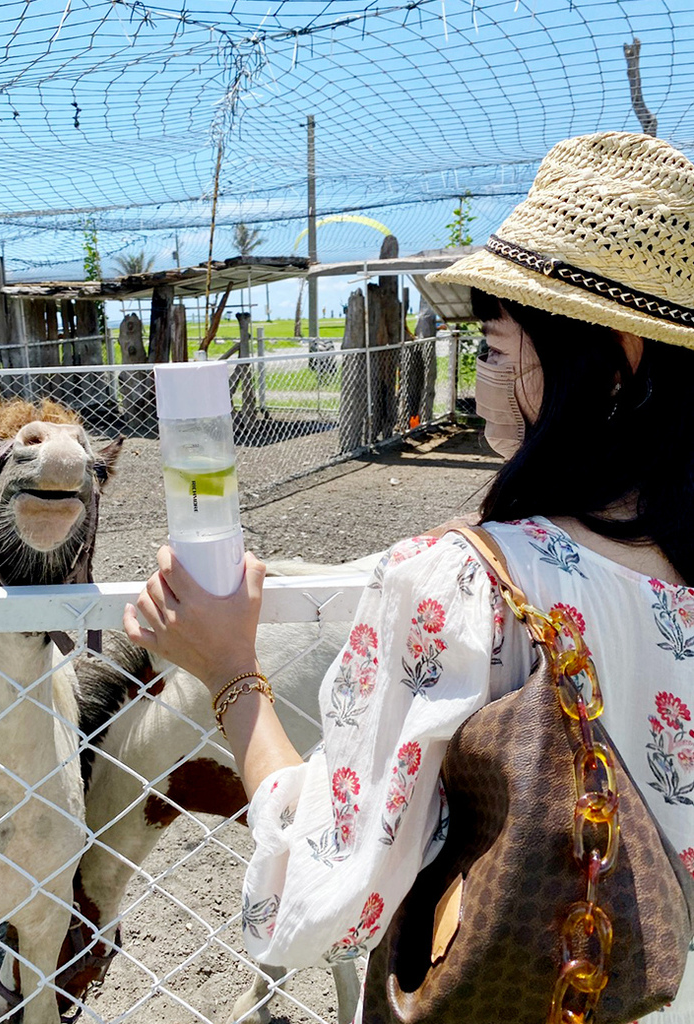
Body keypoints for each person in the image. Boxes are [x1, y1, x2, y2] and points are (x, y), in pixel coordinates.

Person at [123, 131, 694, 1021]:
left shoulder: (464, 582)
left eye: (499, 351)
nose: (479, 385)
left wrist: (229, 670)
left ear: (617, 355)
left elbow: (324, 887)